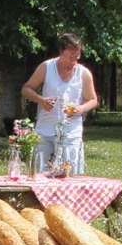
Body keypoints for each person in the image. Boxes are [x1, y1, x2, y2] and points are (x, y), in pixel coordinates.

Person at [21, 33, 99, 174]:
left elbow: (93, 100)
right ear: (61, 51)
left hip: (70, 131)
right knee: (39, 174)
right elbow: (26, 89)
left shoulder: (83, 73)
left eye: (78, 55)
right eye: (71, 55)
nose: (75, 59)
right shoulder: (46, 67)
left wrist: (80, 108)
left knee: (69, 174)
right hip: (45, 129)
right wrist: (41, 100)